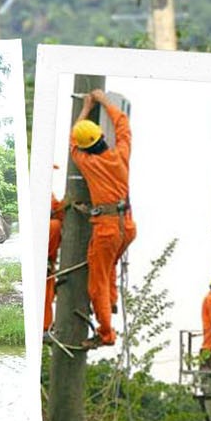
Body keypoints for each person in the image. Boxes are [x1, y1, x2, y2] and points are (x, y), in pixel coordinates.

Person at [69, 89, 132, 348]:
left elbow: (72, 143)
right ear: (103, 137)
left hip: (106, 229)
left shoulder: (87, 162)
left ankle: (106, 334)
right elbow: (123, 124)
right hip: (126, 224)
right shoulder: (120, 155)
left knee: (97, 285)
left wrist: (85, 108)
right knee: (110, 268)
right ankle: (113, 301)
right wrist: (104, 101)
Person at [44, 192, 65, 332]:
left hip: (47, 266)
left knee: (47, 297)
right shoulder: (54, 225)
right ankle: (45, 328)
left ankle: (46, 327)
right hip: (46, 266)